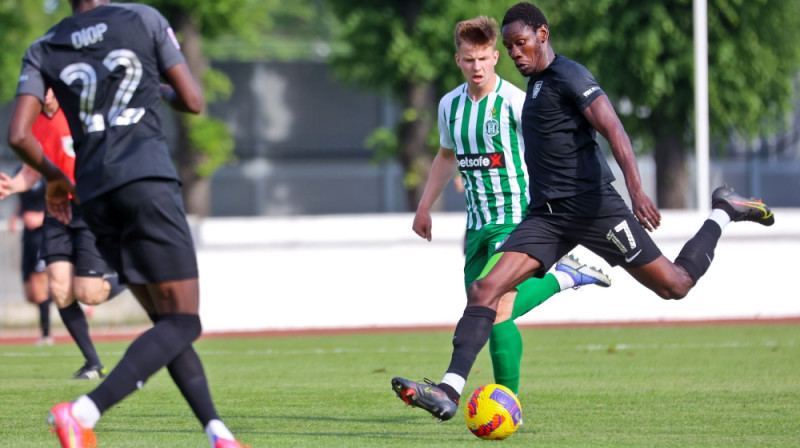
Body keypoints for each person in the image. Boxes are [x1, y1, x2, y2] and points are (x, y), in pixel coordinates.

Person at [390, 2, 775, 422]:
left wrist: (636, 190)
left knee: (675, 286)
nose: (516, 53)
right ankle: (448, 390)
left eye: (521, 44)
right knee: (486, 291)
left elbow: (613, 128)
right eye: (510, 46)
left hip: (596, 211)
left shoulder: (569, 75)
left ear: (543, 34)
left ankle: (723, 210)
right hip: (547, 218)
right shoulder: (531, 87)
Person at [7, 1, 246, 447]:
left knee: (165, 321)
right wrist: (156, 85)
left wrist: (58, 180)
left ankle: (219, 435)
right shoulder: (144, 19)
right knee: (184, 323)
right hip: (146, 182)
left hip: (93, 194)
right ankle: (82, 412)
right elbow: (192, 101)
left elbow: (18, 136)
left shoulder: (43, 46)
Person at [393, 15, 610, 415]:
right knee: (488, 318)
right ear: (458, 60)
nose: (476, 67)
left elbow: (546, 149)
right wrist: (424, 205)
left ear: (496, 57)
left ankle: (503, 403)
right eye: (468, 59)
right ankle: (567, 276)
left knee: (493, 308)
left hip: (516, 218)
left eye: (483, 59)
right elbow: (446, 156)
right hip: (476, 226)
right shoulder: (449, 106)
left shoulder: (515, 101)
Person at [1, 88, 126, 379]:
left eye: (49, 85)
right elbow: (31, 173)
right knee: (58, 288)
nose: (44, 92)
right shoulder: (31, 123)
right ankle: (93, 363)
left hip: (87, 210)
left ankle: (132, 277)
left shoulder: (80, 115)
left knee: (88, 294)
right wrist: (12, 186)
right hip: (56, 211)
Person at [7, 167, 52, 346]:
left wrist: (42, 217)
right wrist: (15, 216)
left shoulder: (48, 173)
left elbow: (62, 199)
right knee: (30, 294)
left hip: (43, 235)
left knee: (39, 290)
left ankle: (46, 335)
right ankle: (65, 294)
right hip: (27, 236)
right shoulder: (20, 171)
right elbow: (22, 200)